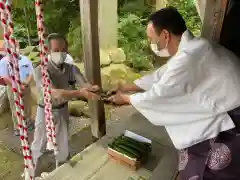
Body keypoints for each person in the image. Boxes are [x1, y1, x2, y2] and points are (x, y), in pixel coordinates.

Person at [108, 7, 240, 180]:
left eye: (151, 39)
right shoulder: (193, 47)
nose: (151, 44)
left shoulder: (190, 55)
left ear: (165, 35)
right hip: (225, 110)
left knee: (209, 171)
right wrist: (126, 87)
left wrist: (125, 98)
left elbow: (159, 94)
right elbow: (161, 76)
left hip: (233, 121)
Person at [31, 33, 99, 177]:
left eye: (63, 49)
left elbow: (83, 83)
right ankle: (32, 173)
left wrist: (91, 88)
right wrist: (80, 93)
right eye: (56, 50)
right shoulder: (40, 70)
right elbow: (53, 93)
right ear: (49, 51)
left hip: (62, 110)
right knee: (39, 146)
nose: (60, 53)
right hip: (45, 111)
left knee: (63, 146)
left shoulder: (70, 68)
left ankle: (61, 175)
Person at [0, 46, 35, 136]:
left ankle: (28, 123)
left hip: (26, 85)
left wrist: (26, 84)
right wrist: (17, 86)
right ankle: (18, 128)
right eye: (12, 47)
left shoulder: (25, 59)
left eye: (16, 46)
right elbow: (5, 77)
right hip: (13, 86)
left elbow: (31, 72)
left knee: (27, 105)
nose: (15, 48)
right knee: (16, 107)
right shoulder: (4, 61)